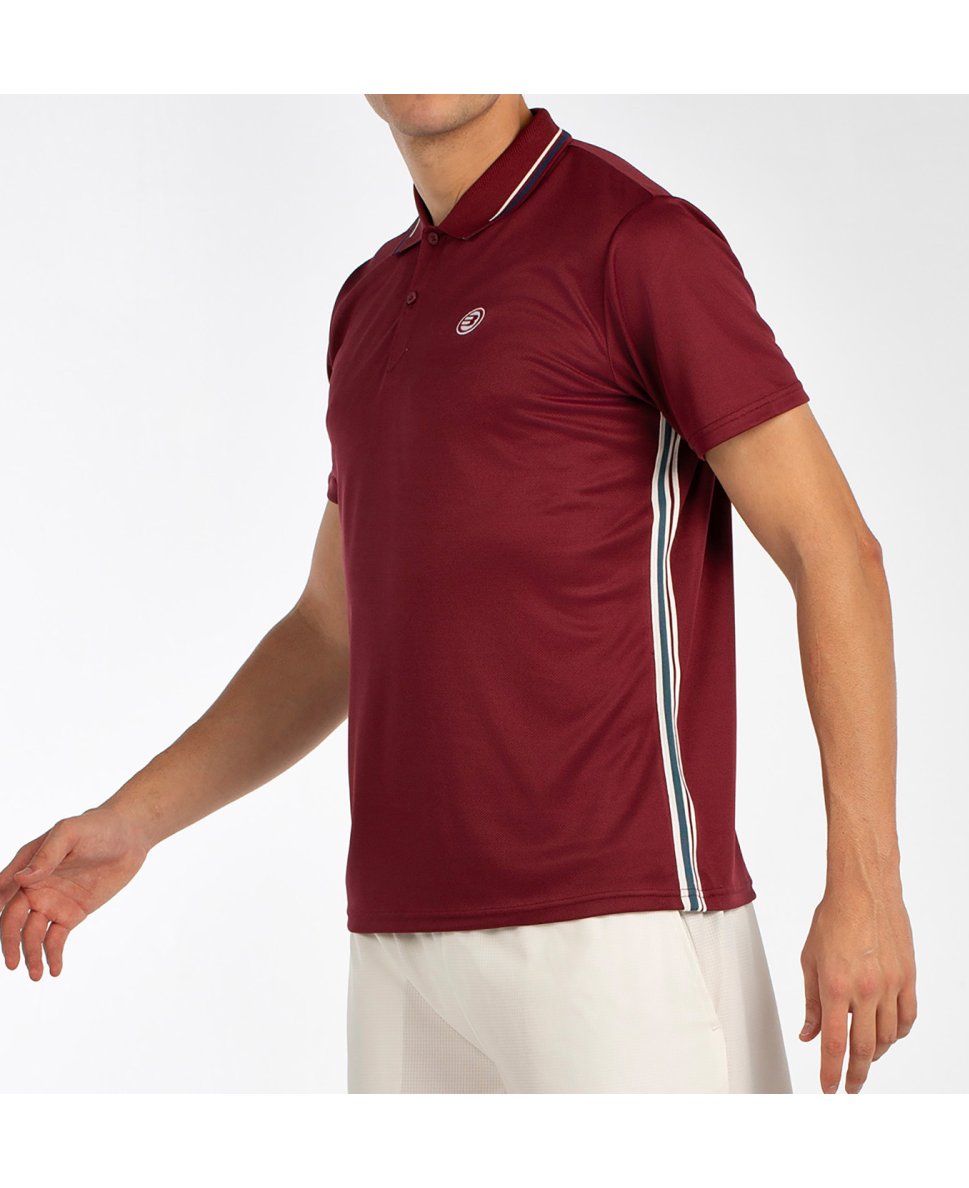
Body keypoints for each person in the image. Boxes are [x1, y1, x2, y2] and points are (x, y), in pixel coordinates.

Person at [0, 94, 916, 1094]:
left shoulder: (638, 243)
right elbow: (332, 628)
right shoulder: (366, 302)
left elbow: (833, 551)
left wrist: (867, 885)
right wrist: (133, 821)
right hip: (400, 953)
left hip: (621, 936)